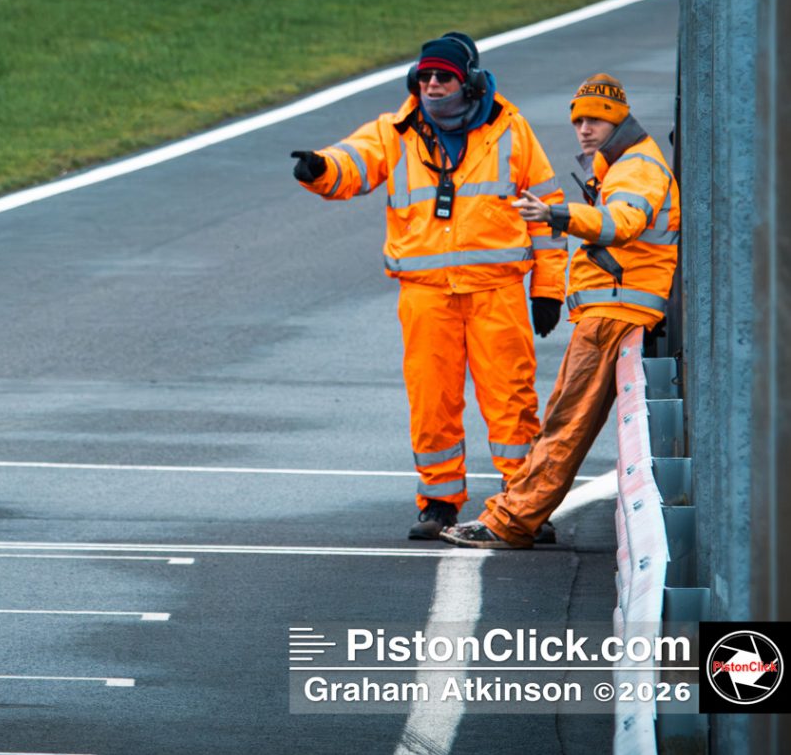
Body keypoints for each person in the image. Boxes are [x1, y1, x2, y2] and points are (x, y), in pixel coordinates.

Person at [291, 32, 567, 540]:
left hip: (496, 291)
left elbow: (546, 209)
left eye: (444, 77)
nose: (433, 85)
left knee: (512, 400)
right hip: (426, 294)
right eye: (425, 77)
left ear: (469, 82)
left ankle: (525, 505)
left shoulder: (511, 129)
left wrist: (548, 288)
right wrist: (319, 169)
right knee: (431, 399)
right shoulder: (394, 131)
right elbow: (352, 162)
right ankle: (439, 501)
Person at [440, 74, 679, 549]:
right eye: (578, 121)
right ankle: (512, 515)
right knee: (562, 419)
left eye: (596, 121)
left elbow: (622, 223)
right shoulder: (623, 165)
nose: (584, 130)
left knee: (564, 423)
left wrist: (558, 214)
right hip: (614, 310)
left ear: (619, 122)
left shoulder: (636, 168)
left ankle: (511, 521)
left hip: (616, 312)